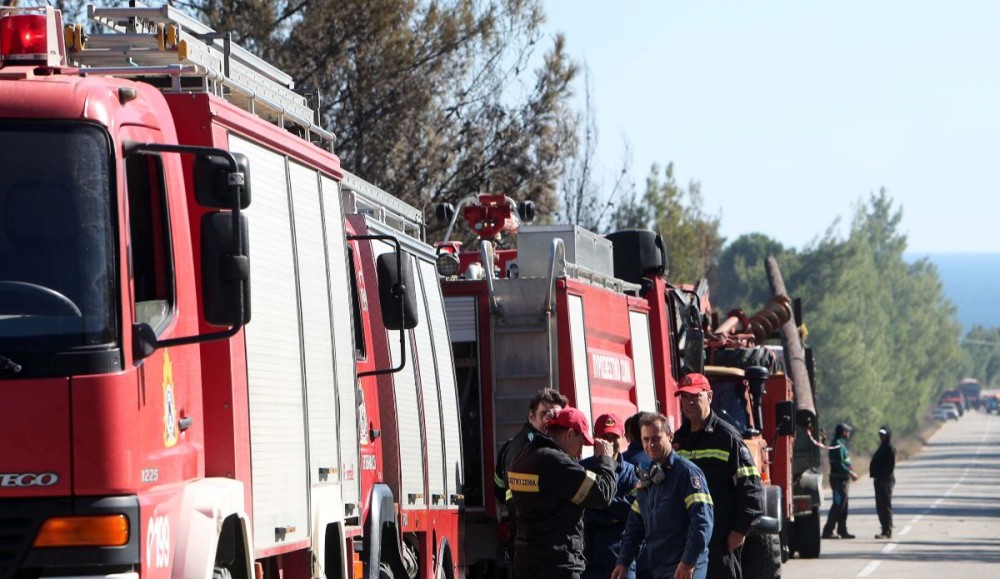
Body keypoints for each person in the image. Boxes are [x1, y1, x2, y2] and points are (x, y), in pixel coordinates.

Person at [672, 373, 764, 579]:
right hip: (686, 544)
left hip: (720, 543)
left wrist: (739, 531)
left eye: (696, 396)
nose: (690, 402)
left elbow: (752, 490)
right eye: (685, 397)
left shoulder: (727, 437)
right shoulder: (678, 440)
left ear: (710, 397)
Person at [508, 407, 617, 579]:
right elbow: (603, 494)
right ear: (569, 434)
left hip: (527, 561)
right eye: (581, 442)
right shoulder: (554, 462)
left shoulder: (523, 456)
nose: (581, 452)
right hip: (557, 565)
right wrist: (607, 461)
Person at [612, 412, 713, 579]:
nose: (651, 444)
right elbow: (634, 526)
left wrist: (688, 562)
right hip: (659, 568)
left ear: (670, 436)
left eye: (656, 438)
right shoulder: (648, 477)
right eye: (646, 439)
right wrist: (624, 562)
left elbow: (702, 522)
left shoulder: (687, 473)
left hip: (686, 568)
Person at [494, 388, 568, 559]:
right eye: (543, 414)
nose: (547, 420)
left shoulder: (510, 446)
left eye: (554, 416)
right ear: (531, 417)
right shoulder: (533, 449)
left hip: (527, 541)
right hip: (537, 543)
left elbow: (499, 490)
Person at [581, 413, 639, 579]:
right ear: (595, 438)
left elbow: (632, 509)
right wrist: (613, 510)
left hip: (622, 558)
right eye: (604, 437)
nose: (609, 442)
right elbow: (580, 508)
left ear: (622, 437)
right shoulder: (582, 469)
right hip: (590, 558)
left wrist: (598, 500)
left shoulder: (632, 472)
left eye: (614, 436)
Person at [621, 411, 653, 579]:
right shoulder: (663, 463)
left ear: (630, 435)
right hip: (656, 550)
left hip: (624, 546)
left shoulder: (620, 463)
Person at [822, 422, 859, 539]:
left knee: (843, 506)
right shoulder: (837, 445)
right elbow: (839, 464)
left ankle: (842, 530)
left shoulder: (840, 444)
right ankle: (828, 530)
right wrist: (851, 473)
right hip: (839, 480)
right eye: (847, 431)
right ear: (843, 432)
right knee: (838, 505)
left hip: (842, 480)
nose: (849, 433)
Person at [869, 425, 896, 539]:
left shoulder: (889, 448)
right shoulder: (882, 447)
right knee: (880, 506)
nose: (881, 436)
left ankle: (887, 530)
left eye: (884, 434)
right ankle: (884, 528)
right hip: (879, 481)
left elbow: (889, 467)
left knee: (885, 506)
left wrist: (883, 480)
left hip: (885, 481)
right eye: (880, 434)